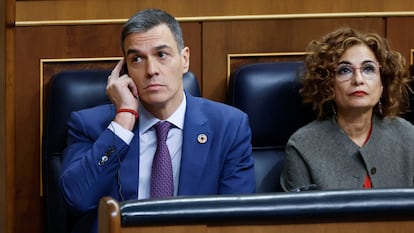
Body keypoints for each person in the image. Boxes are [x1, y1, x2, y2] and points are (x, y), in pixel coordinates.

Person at [59, 8, 255, 233]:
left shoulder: (229, 126)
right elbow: (76, 198)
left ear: (184, 59)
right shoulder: (91, 126)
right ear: (124, 71)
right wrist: (123, 120)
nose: (151, 70)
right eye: (137, 59)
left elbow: (238, 221)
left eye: (161, 55)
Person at [280, 27, 414, 192]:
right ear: (328, 84)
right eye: (345, 70)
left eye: (368, 69)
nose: (358, 80)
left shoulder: (408, 136)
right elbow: (299, 216)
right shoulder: (302, 146)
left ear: (382, 84)